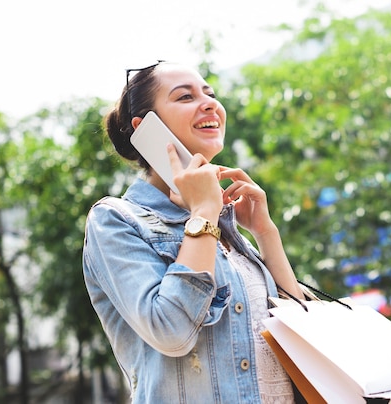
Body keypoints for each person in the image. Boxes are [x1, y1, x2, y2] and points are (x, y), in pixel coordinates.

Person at [82, 60, 305, 403]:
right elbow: (171, 331)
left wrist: (265, 232)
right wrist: (203, 212)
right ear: (145, 129)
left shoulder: (225, 225)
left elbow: (298, 332)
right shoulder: (116, 220)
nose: (209, 103)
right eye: (185, 97)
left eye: (210, 93)